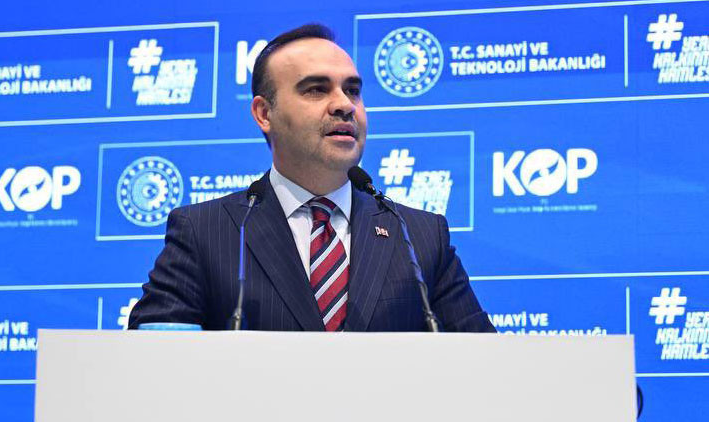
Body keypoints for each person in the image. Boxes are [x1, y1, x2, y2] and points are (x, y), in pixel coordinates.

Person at [128, 24, 495, 332]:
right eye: (317, 89)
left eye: (352, 90)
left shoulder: (418, 234)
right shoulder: (206, 232)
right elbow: (154, 361)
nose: (344, 105)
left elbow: (483, 363)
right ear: (264, 113)